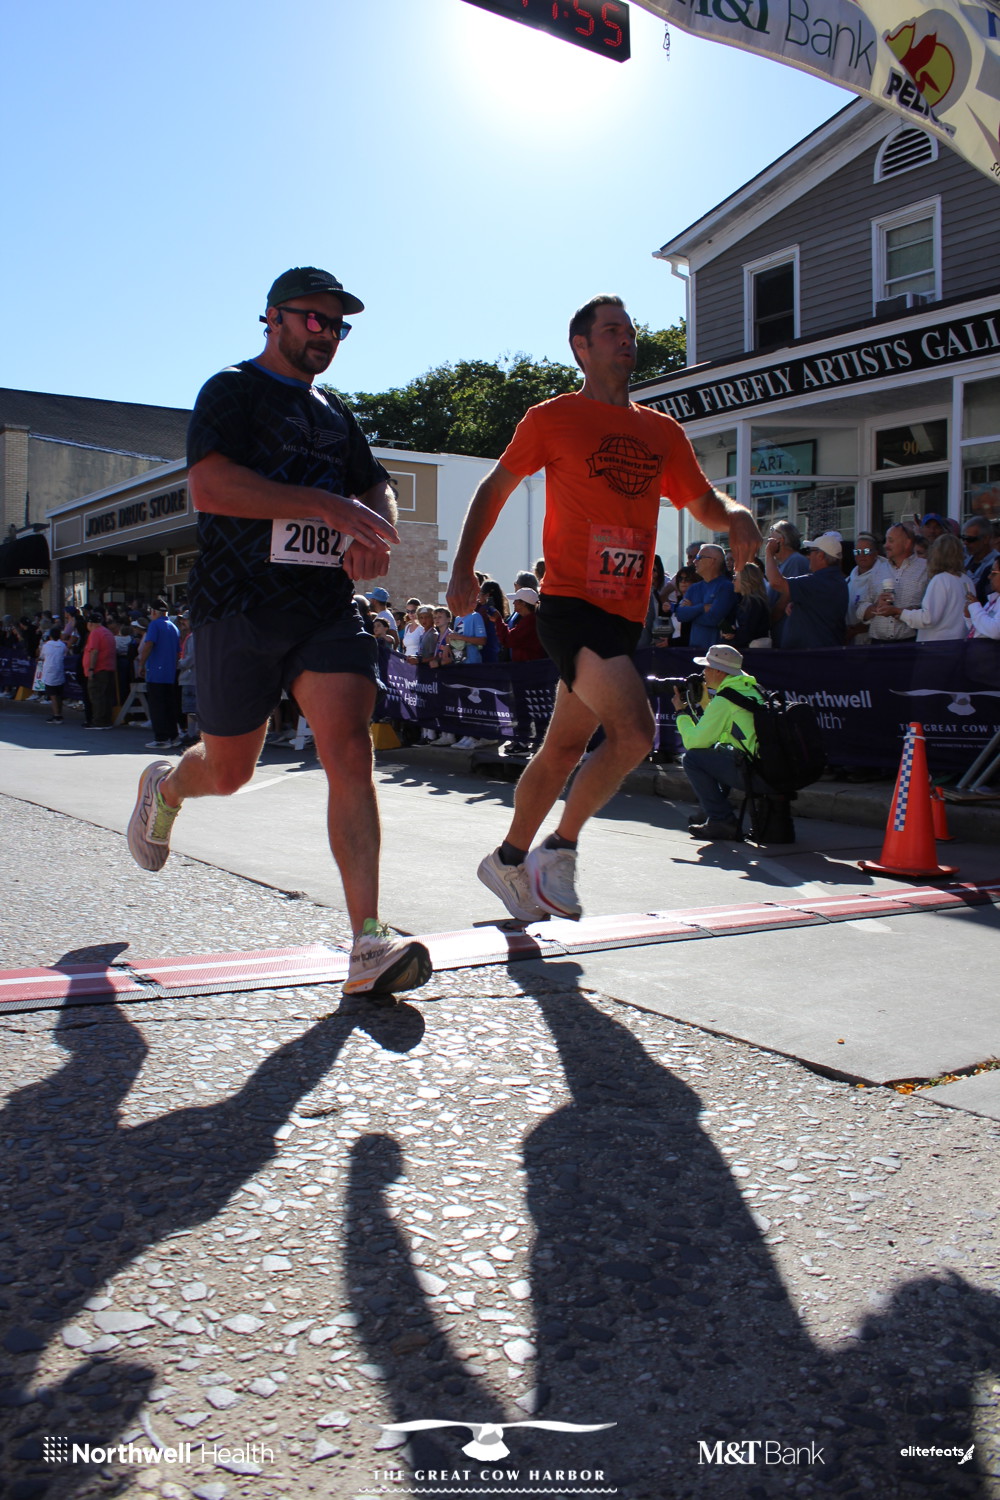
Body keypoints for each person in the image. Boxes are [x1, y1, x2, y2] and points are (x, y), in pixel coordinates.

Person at [126, 265, 430, 998]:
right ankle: (167, 788)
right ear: (273, 318)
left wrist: (375, 527)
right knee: (229, 771)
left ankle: (367, 941)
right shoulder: (231, 390)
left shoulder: (336, 413)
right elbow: (209, 486)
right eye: (314, 320)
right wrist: (322, 506)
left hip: (322, 605)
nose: (328, 335)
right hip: (239, 603)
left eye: (339, 326)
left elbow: (375, 482)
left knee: (349, 748)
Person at [448, 294, 761, 922]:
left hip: (624, 614)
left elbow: (703, 502)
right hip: (572, 605)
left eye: (630, 331)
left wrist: (737, 515)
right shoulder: (552, 418)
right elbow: (496, 486)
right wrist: (461, 565)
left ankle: (508, 860)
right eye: (612, 330)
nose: (627, 340)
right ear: (582, 346)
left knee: (564, 748)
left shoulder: (661, 431)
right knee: (636, 733)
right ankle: (558, 850)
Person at [673, 642, 766, 841]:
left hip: (756, 774)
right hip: (771, 768)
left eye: (706, 668)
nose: (703, 673)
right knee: (720, 751)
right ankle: (710, 812)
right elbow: (724, 733)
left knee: (692, 758)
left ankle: (721, 820)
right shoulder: (751, 688)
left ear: (718, 671)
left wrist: (680, 713)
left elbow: (695, 742)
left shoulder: (725, 699)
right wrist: (706, 704)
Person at [876, 532, 973, 641]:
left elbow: (927, 619)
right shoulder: (967, 580)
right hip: (960, 643)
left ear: (936, 554)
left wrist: (898, 612)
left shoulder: (940, 580)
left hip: (937, 646)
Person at [765, 533, 848, 649]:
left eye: (811, 551)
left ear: (820, 555)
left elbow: (776, 582)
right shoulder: (835, 580)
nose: (808, 556)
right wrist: (799, 607)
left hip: (813, 655)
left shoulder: (820, 581)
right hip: (817, 653)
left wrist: (769, 552)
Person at [854, 523, 928, 641]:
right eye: (886, 541)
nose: (886, 545)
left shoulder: (926, 569)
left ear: (907, 543)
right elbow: (860, 610)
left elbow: (933, 611)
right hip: (878, 644)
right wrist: (876, 606)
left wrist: (904, 613)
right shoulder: (878, 570)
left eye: (891, 541)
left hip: (910, 643)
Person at [672, 543, 735, 651]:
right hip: (694, 650)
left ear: (712, 561)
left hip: (717, 654)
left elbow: (713, 619)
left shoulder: (726, 587)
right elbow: (680, 615)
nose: (694, 561)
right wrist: (701, 607)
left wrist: (691, 612)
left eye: (699, 557)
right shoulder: (694, 588)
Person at [136, 599, 181, 748]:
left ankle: (162, 738)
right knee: (169, 705)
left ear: (154, 612)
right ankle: (173, 736)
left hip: (156, 672)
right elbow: (177, 652)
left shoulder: (155, 625)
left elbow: (149, 644)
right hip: (170, 673)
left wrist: (141, 664)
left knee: (157, 707)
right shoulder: (174, 627)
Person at [719, 561, 770, 651]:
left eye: (735, 578)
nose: (732, 582)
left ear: (746, 580)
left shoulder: (753, 602)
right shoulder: (749, 601)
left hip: (752, 653)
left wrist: (732, 637)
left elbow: (747, 633)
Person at [82, 608, 118, 728]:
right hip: (108, 668)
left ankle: (99, 721)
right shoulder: (107, 632)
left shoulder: (95, 633)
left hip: (98, 669)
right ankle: (106, 720)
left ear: (90, 623)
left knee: (97, 696)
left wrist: (91, 669)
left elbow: (94, 651)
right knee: (106, 696)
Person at [845, 532, 882, 644]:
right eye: (857, 552)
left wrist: (856, 630)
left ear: (876, 553)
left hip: (872, 640)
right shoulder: (848, 581)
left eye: (866, 551)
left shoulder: (884, 575)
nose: (861, 555)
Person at [963, 516, 999, 604]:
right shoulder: (964, 561)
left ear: (986, 539)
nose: (965, 543)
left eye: (970, 539)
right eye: (963, 538)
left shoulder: (997, 563)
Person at [40, 626, 68, 724]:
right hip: (59, 671)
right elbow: (65, 655)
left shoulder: (46, 646)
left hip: (49, 672)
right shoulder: (63, 645)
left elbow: (42, 656)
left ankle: (56, 716)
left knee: (53, 696)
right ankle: (59, 713)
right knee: (59, 695)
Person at [967, 559, 1000, 638]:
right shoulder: (995, 598)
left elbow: (995, 631)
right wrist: (969, 617)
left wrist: (975, 606)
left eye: (993, 573)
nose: (989, 576)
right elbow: (981, 630)